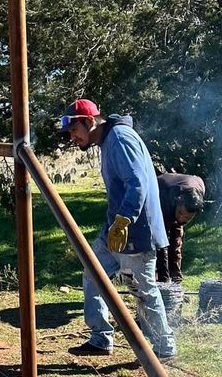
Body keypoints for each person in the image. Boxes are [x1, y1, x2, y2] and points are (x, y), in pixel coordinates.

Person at [60, 99, 174, 360]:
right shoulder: (107, 140)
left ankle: (164, 347)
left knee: (142, 290)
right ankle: (100, 338)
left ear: (89, 122)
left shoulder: (120, 138)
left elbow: (137, 183)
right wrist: (116, 223)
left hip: (135, 229)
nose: (72, 137)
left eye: (74, 130)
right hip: (115, 227)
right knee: (93, 273)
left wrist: (124, 220)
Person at [156, 172, 206, 331]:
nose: (183, 220)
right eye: (181, 215)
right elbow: (161, 245)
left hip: (174, 199)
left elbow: (174, 246)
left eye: (188, 218)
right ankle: (162, 285)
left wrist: (175, 288)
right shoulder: (164, 199)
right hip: (158, 195)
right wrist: (165, 283)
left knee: (176, 245)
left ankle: (177, 286)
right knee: (161, 246)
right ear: (178, 203)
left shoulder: (199, 188)